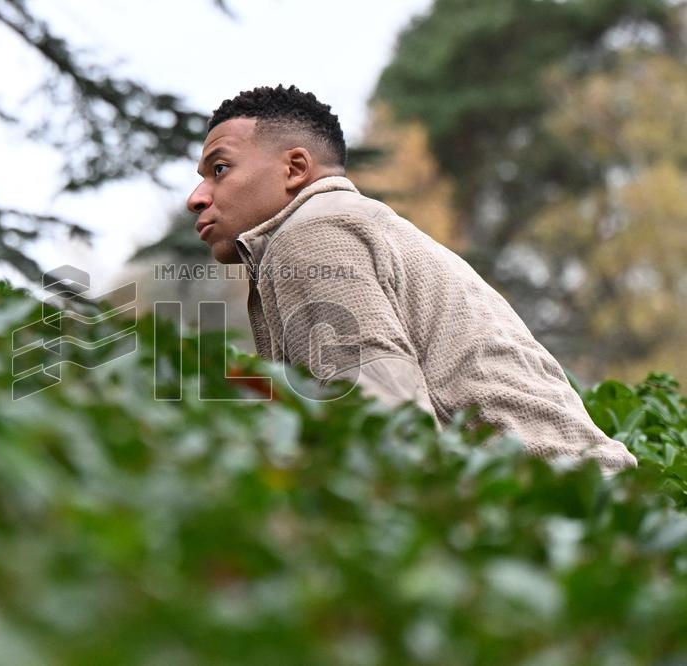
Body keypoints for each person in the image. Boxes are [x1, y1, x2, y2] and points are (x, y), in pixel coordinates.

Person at [185, 84, 636, 476]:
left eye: (219, 169)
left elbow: (385, 423)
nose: (196, 198)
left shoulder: (311, 233)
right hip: (590, 503)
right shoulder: (359, 225)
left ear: (295, 168)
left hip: (555, 518)